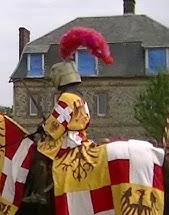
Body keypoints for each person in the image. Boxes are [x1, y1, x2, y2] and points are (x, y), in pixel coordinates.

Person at [22, 27, 112, 204]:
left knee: (38, 156)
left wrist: (42, 128)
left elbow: (57, 123)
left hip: (67, 139)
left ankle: (40, 194)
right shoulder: (81, 97)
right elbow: (81, 119)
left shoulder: (66, 97)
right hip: (81, 138)